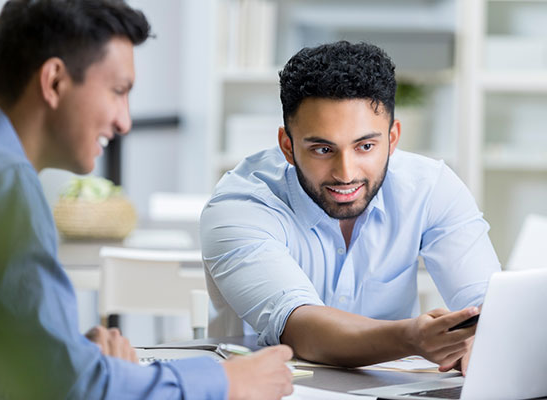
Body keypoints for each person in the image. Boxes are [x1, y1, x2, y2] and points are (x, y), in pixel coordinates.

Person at [0, 1, 293, 399]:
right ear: (55, 81)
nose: (124, 122)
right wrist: (230, 382)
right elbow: (74, 389)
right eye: (118, 92)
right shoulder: (4, 184)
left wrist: (72, 357)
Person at [200, 41, 501, 374]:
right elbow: (300, 327)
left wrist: (478, 339)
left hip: (394, 391)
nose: (346, 173)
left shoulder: (430, 189)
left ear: (393, 138)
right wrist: (412, 337)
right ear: (287, 146)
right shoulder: (240, 205)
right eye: (323, 149)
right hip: (271, 390)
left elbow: (489, 304)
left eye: (366, 146)